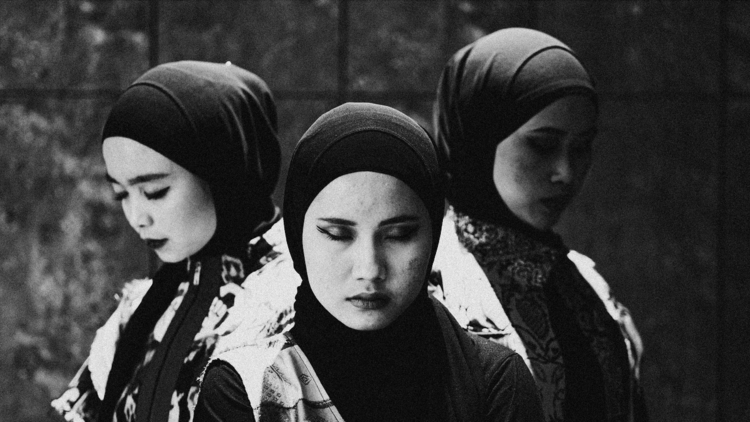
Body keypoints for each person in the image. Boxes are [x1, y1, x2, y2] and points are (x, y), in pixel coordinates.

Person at [194, 102, 544, 421]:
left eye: (399, 235)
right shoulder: (244, 387)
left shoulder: (496, 382)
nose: (369, 269)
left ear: (434, 236)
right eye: (337, 234)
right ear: (297, 237)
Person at [50, 61, 299, 421]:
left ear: (223, 172)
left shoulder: (292, 303)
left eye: (155, 191)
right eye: (121, 194)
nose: (137, 217)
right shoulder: (146, 307)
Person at [430, 27, 648, 422]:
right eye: (542, 144)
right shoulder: (430, 285)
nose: (566, 172)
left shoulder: (586, 284)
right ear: (479, 140)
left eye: (581, 147)